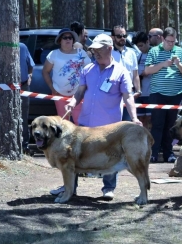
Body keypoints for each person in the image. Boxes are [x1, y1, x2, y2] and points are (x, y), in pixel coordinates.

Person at [49, 34, 141, 199]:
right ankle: (69, 188)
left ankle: (108, 188)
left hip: (109, 128)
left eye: (99, 49)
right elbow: (80, 91)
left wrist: (134, 118)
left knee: (111, 156)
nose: (95, 53)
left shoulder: (121, 72)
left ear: (110, 49)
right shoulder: (87, 69)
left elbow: (128, 97)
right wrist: (72, 103)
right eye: (93, 50)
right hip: (85, 125)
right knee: (73, 156)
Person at [143, 27, 182, 163]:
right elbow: (147, 70)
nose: (171, 44)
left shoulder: (179, 51)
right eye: (168, 41)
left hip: (175, 94)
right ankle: (154, 153)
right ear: (162, 39)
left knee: (171, 126)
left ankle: (169, 153)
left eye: (173, 41)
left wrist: (178, 64)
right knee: (157, 125)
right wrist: (163, 64)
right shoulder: (154, 51)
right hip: (158, 94)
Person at [0, 42, 35, 152]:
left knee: (22, 116)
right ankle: (3, 145)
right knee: (4, 117)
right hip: (2, 89)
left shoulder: (22, 47)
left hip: (22, 86)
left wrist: (30, 76)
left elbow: (30, 65)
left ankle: (24, 145)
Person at [42, 28, 92, 124]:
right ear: (60, 40)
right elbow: (45, 72)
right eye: (65, 37)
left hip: (78, 94)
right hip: (59, 94)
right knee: (64, 123)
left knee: (80, 121)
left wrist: (86, 87)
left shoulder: (81, 53)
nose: (68, 39)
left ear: (73, 40)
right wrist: (52, 88)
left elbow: (89, 70)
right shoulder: (53, 54)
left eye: (70, 37)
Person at [111, 25, 141, 121]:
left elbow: (135, 74)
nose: (122, 38)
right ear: (113, 37)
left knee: (127, 126)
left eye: (124, 35)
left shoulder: (132, 53)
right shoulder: (108, 52)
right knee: (113, 126)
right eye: (119, 36)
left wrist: (138, 90)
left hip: (128, 93)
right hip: (112, 94)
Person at [132, 32, 152, 127]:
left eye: (141, 45)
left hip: (151, 93)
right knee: (140, 120)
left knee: (150, 120)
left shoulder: (154, 53)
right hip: (140, 93)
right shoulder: (138, 56)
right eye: (138, 46)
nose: (140, 48)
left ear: (147, 42)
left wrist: (144, 73)